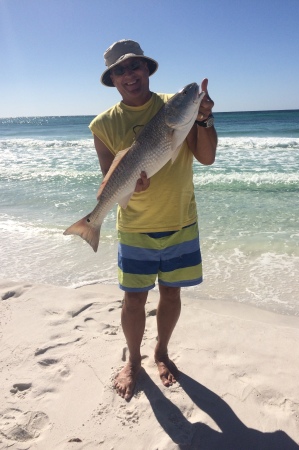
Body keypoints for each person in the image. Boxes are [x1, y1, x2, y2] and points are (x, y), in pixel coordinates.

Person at [89, 39, 217, 401]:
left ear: (147, 69)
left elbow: (206, 158)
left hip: (180, 221)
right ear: (112, 79)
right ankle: (133, 360)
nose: (129, 75)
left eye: (135, 66)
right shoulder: (103, 125)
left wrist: (204, 117)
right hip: (134, 227)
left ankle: (161, 351)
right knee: (133, 300)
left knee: (171, 295)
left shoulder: (176, 108)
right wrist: (132, 189)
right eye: (120, 70)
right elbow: (107, 178)